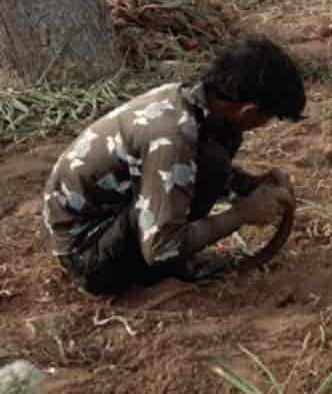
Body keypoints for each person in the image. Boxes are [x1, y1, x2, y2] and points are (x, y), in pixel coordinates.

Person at [42, 35, 305, 295]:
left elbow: (188, 168)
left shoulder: (190, 101)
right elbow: (161, 247)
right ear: (247, 110)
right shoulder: (171, 137)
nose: (265, 125)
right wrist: (240, 215)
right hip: (87, 257)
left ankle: (169, 262)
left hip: (113, 216)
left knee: (215, 156)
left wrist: (250, 185)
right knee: (211, 164)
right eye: (268, 117)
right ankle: (155, 273)